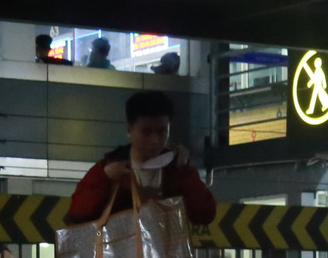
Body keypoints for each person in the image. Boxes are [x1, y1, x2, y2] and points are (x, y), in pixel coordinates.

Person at [65, 90, 216, 225]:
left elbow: (204, 214)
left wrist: (183, 172)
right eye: (146, 132)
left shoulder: (175, 168)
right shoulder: (110, 168)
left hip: (164, 254)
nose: (155, 140)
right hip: (119, 254)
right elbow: (77, 214)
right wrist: (104, 177)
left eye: (162, 132)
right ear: (129, 130)